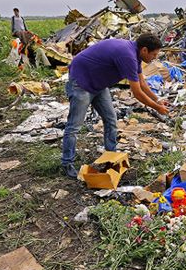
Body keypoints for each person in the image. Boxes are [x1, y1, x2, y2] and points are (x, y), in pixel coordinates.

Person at [61, 33, 169, 178]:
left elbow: (142, 83)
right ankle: (67, 163)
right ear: (144, 50)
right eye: (154, 54)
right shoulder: (128, 56)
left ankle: (111, 156)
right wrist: (158, 109)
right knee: (74, 126)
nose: (155, 58)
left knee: (111, 119)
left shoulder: (134, 53)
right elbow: (137, 92)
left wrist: (157, 100)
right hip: (81, 82)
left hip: (99, 84)